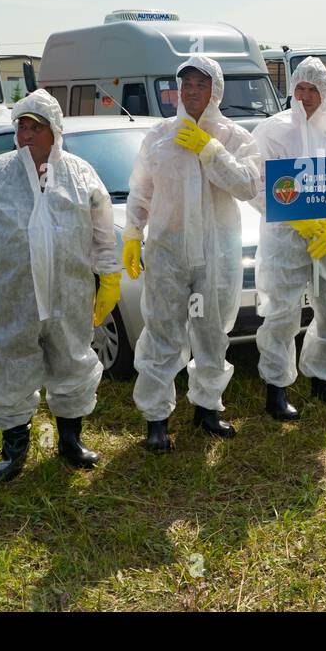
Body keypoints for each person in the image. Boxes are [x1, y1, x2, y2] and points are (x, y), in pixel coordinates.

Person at [0, 89, 121, 481]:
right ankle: (14, 449)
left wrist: (109, 277)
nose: (26, 135)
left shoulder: (80, 175)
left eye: (36, 128)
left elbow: (102, 232)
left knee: (73, 359)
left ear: (55, 132)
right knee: (10, 365)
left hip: (70, 293)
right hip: (13, 296)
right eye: (21, 127)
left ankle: (70, 441)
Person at [123, 57, 262, 453]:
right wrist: (133, 231)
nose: (192, 91)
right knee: (162, 329)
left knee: (212, 331)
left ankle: (207, 409)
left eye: (201, 84)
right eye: (186, 85)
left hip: (216, 254)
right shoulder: (160, 136)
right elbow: (142, 189)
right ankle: (156, 418)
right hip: (168, 251)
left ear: (215, 89)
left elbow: (247, 186)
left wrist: (211, 150)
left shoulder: (235, 137)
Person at [252, 57, 326, 416]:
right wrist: (294, 218)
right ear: (291, 89)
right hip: (284, 237)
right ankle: (276, 386)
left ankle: (324, 375)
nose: (305, 96)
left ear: (324, 92)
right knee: (282, 311)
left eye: (313, 89)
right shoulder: (272, 130)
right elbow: (255, 184)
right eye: (300, 87)